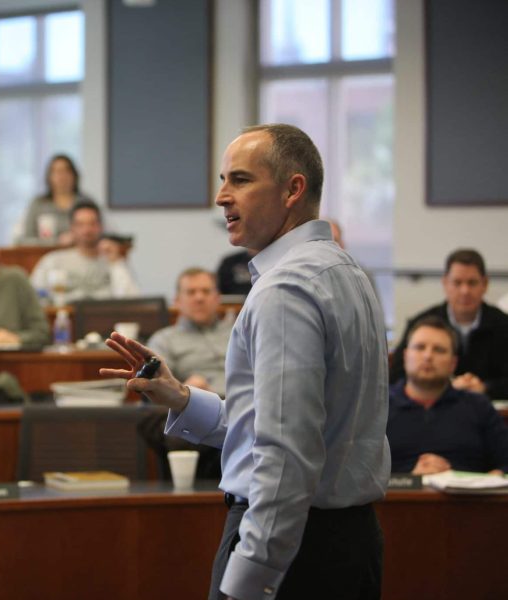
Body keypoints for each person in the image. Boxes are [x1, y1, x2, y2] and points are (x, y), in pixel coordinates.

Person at [101, 124, 389, 600]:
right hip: (348, 540)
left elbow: (286, 453)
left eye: (240, 180)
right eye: (222, 179)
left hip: (291, 551)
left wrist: (250, 577)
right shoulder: (349, 272)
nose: (221, 197)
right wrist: (182, 398)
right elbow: (295, 423)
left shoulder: (286, 289)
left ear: (293, 189)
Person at [388, 315, 508, 475]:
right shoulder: (379, 407)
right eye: (420, 347)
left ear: (453, 364)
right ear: (405, 356)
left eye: (439, 350)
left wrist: (493, 479)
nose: (428, 356)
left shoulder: (479, 406)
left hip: (468, 498)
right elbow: (361, 473)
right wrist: (410, 478)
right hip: (396, 498)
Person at [389, 248, 508, 399]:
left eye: (472, 283)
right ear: (445, 283)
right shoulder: (421, 326)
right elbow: (397, 378)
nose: (465, 291)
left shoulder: (504, 326)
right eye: (457, 283)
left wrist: (485, 387)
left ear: (484, 284)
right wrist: (445, 387)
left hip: (490, 411)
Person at [29, 200, 138, 304]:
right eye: (80, 225)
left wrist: (116, 262)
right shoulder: (53, 260)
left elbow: (132, 301)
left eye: (92, 224)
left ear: (101, 227)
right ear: (72, 228)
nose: (87, 230)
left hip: (104, 318)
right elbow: (33, 299)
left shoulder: (113, 261)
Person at [147, 268, 233, 395]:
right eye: (191, 292)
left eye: (206, 291)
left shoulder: (238, 332)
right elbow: (158, 388)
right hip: (198, 406)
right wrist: (184, 391)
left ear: (217, 298)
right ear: (177, 301)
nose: (199, 298)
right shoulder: (163, 340)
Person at [19, 154, 93, 245]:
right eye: (56, 172)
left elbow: (98, 235)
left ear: (74, 175)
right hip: (44, 255)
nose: (61, 176)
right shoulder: (39, 204)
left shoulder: (86, 203)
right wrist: (56, 242)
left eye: (66, 171)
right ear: (49, 176)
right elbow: (26, 240)